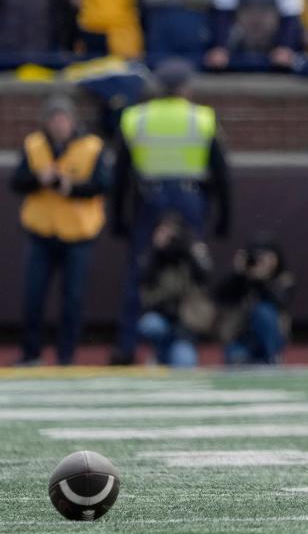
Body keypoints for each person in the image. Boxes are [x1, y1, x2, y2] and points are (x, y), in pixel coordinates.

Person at [111, 59, 231, 364]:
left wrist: (117, 218)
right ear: (185, 88)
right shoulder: (201, 118)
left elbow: (120, 175)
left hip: (149, 200)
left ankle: (127, 347)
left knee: (140, 272)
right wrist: (224, 217)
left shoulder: (135, 118)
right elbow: (221, 173)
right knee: (193, 270)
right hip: (190, 200)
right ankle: (185, 340)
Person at [11, 96, 110, 366]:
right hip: (41, 231)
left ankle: (66, 355)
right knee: (33, 295)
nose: (59, 125)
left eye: (63, 119)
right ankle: (31, 352)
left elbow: (102, 185)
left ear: (73, 121)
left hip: (78, 234)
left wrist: (71, 187)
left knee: (73, 298)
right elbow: (16, 182)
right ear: (46, 122)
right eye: (54, 120)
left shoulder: (91, 146)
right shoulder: (35, 145)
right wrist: (37, 179)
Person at [137, 211, 215, 368]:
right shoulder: (151, 257)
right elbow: (146, 292)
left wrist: (185, 250)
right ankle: (159, 353)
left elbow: (205, 277)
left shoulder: (192, 252)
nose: (165, 237)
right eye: (161, 231)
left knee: (183, 360)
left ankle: (175, 352)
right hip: (163, 317)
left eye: (169, 232)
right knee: (150, 324)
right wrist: (159, 255)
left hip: (186, 322)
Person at [216, 233, 296, 365]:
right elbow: (220, 296)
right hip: (242, 339)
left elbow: (281, 301)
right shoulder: (241, 279)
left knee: (262, 310)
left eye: (265, 255)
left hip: (271, 340)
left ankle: (273, 359)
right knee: (236, 358)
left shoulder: (284, 279)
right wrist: (237, 274)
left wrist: (262, 279)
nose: (259, 261)